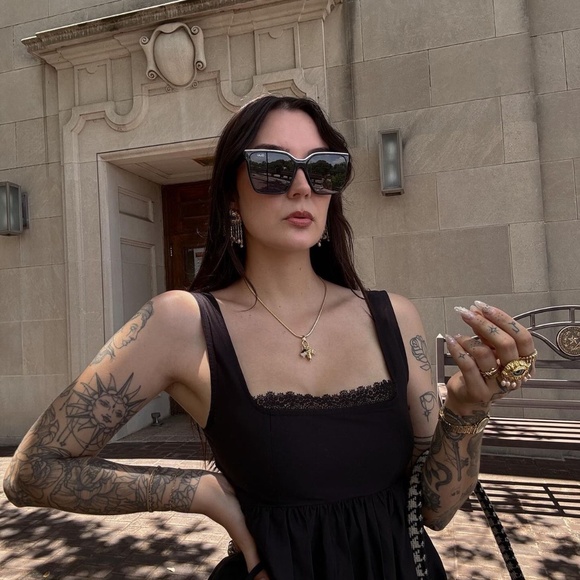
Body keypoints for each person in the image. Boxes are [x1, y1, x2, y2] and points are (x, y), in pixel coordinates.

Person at [3, 95, 536, 579]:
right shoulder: (181, 323)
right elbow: (32, 471)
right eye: (272, 168)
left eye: (323, 169)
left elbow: (437, 511)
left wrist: (467, 410)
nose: (302, 187)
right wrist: (201, 492)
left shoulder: (394, 317)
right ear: (231, 196)